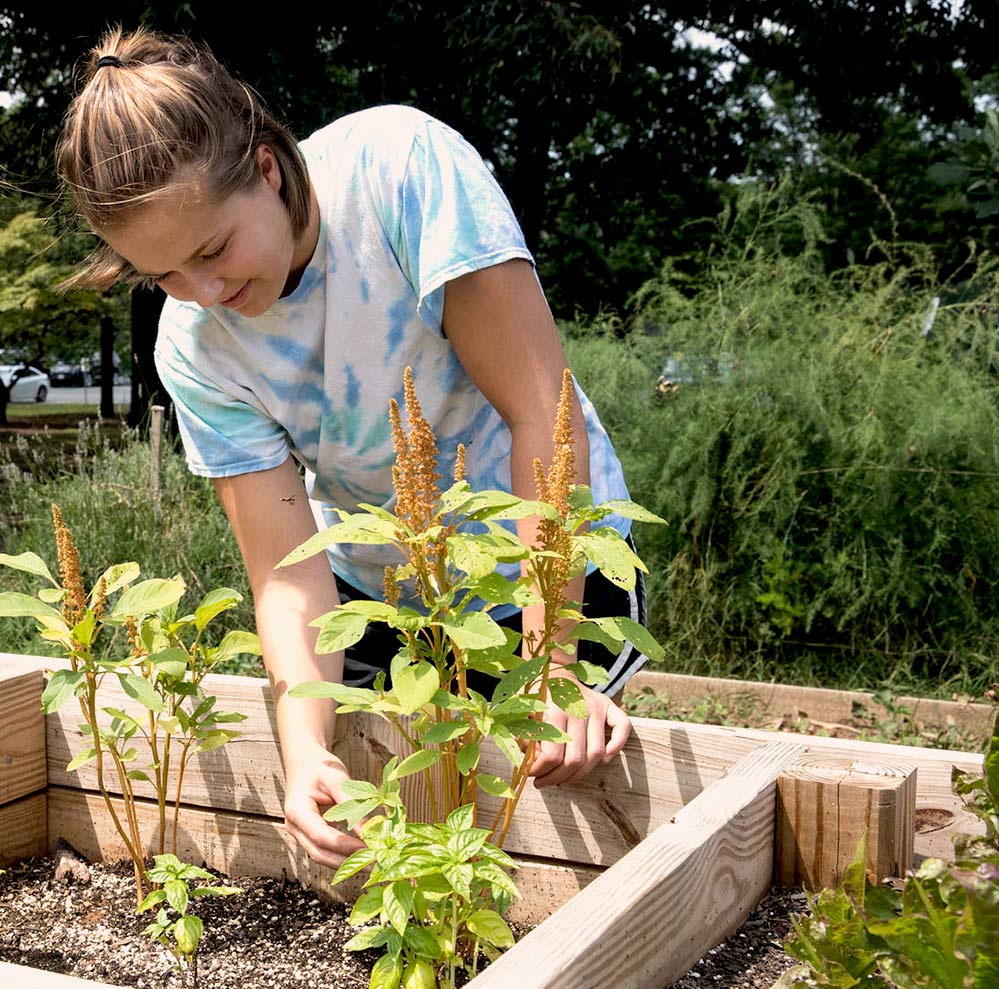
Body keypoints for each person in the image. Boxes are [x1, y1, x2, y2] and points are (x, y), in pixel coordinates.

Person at [56, 27, 649, 869]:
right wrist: (303, 752)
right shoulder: (192, 345)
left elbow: (537, 415)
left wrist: (550, 672)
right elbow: (289, 567)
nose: (206, 295)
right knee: (414, 834)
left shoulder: (400, 172)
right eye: (164, 278)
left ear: (268, 166)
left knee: (560, 819)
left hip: (547, 567)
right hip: (385, 596)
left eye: (213, 250)